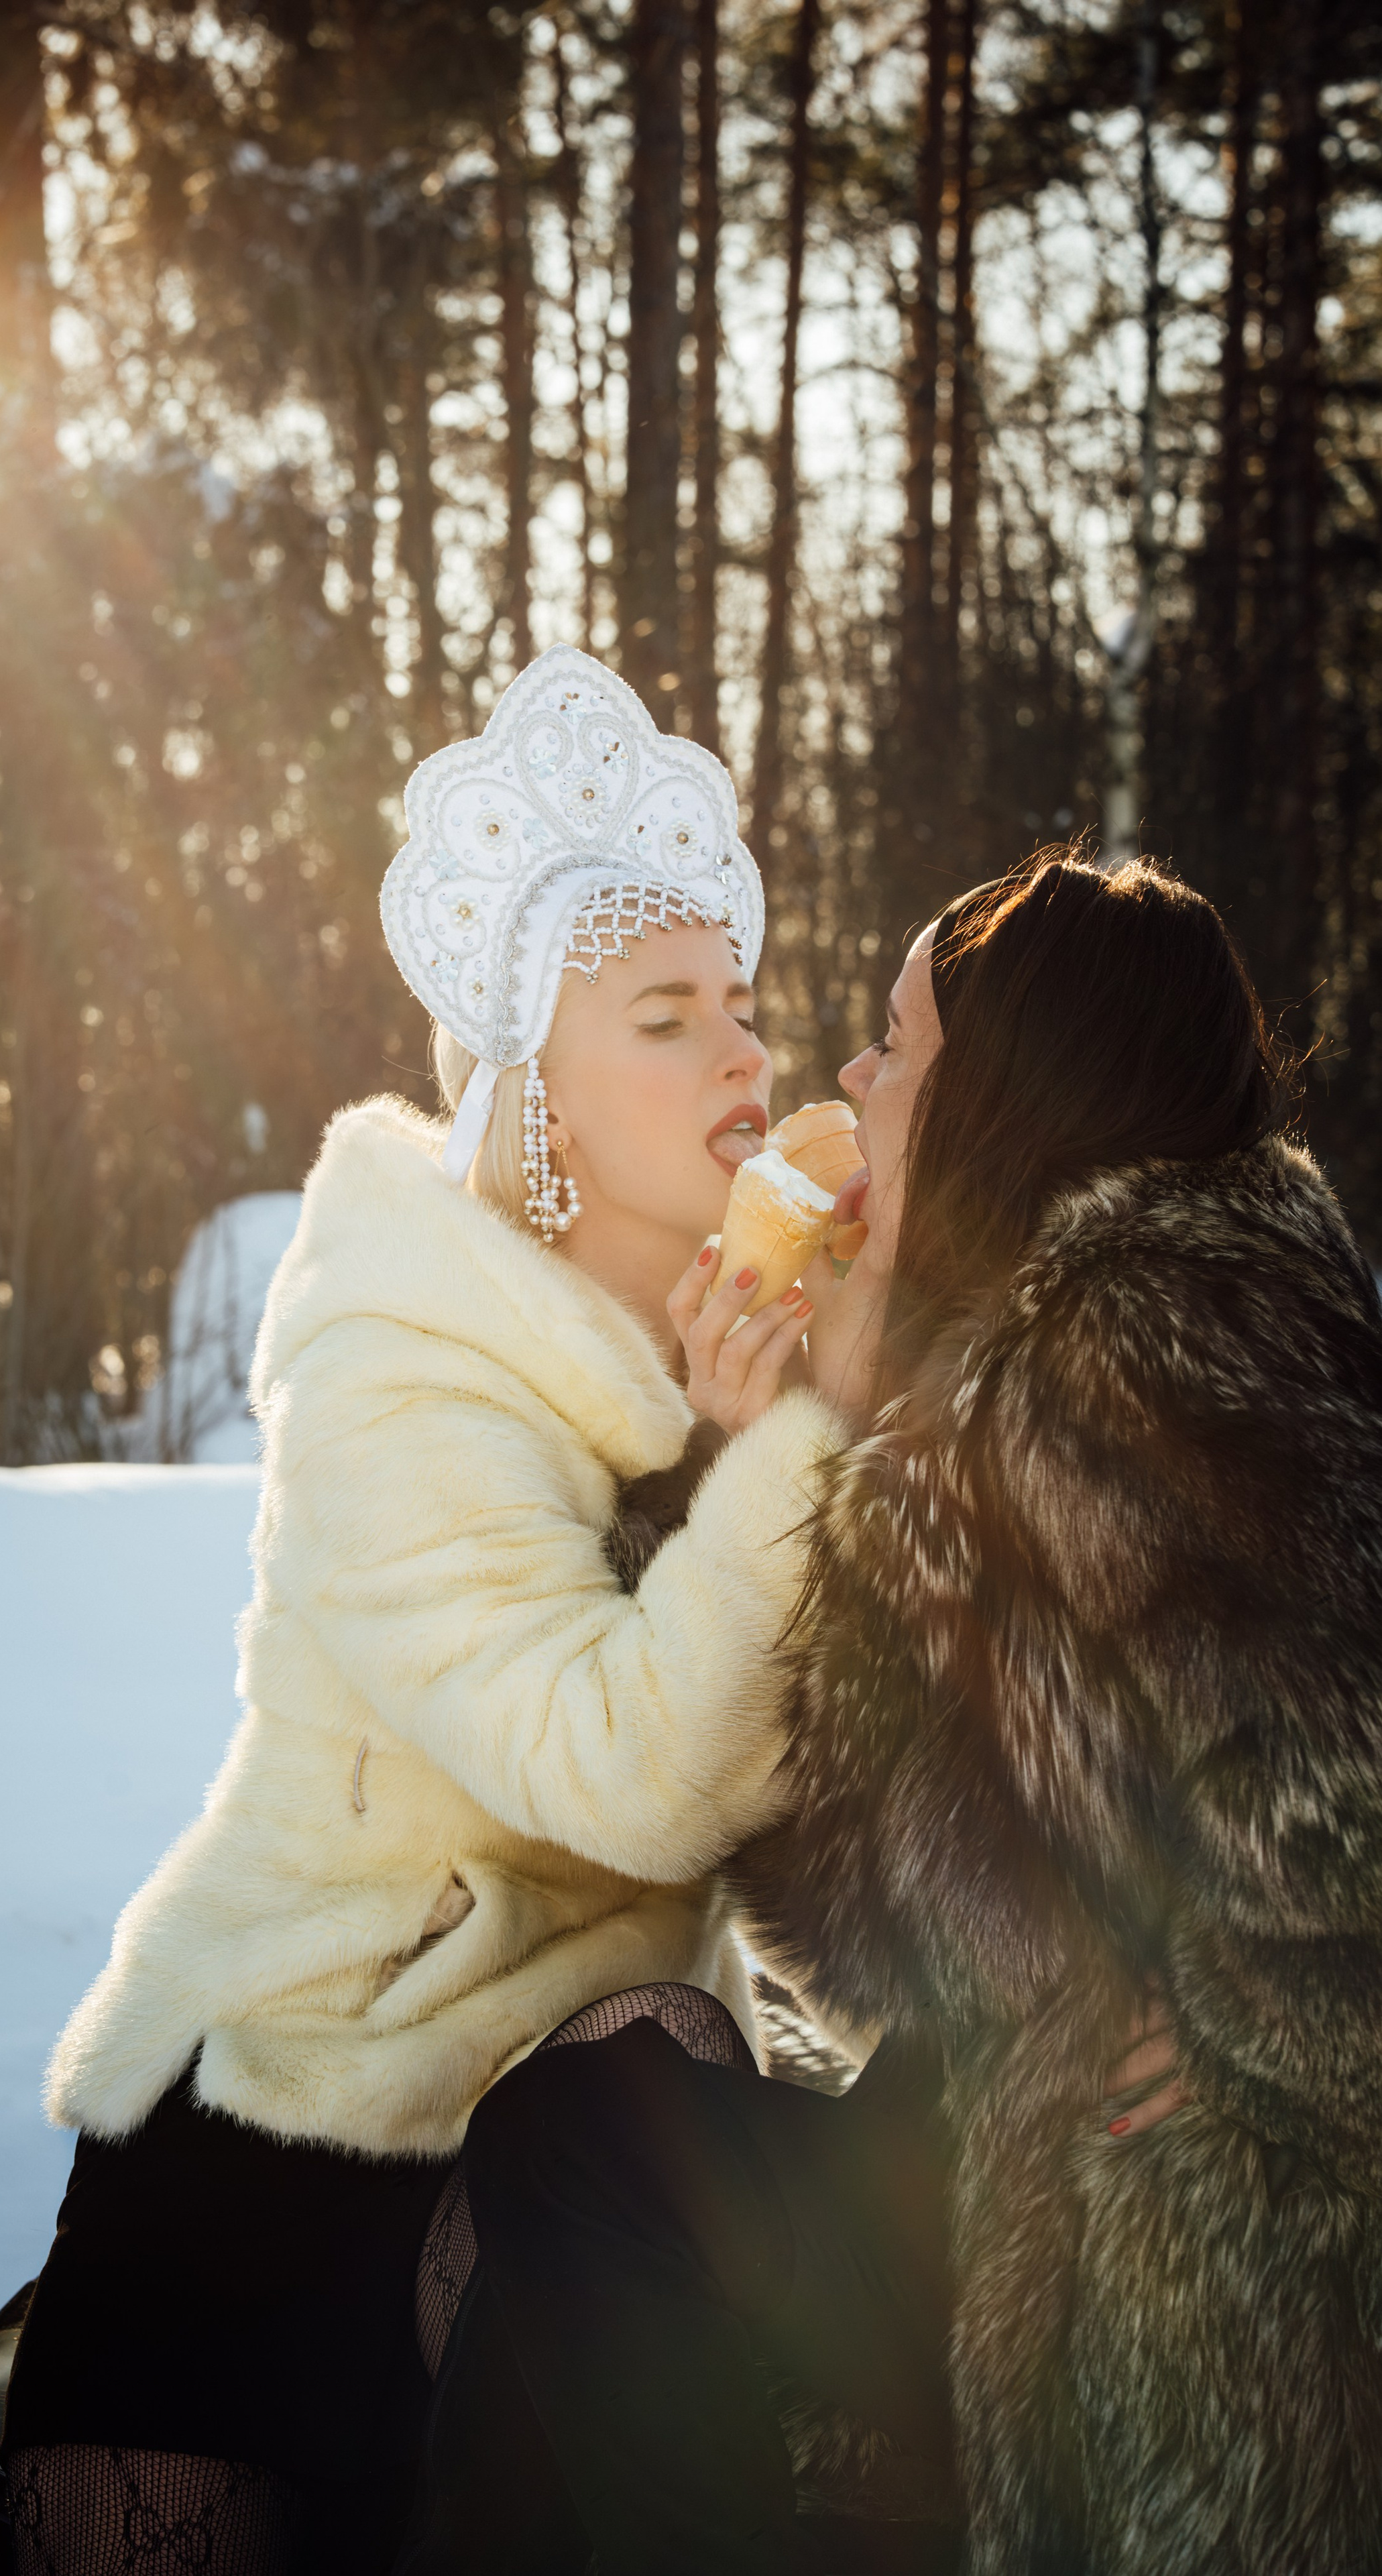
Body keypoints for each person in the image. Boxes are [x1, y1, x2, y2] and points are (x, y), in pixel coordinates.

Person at [418, 850, 1382, 2576]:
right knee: (592, 2145)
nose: (849, 1080)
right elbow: (856, 1905)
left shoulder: (1178, 1374)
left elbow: (1333, 1823)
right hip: (1002, 2141)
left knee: (576, 2155)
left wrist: (1237, 2033)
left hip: (1171, 2261)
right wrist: (784, 1457)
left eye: (894, 1043)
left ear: (1007, 1092)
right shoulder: (1060, 1345)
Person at [0, 645, 846, 2575]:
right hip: (294, 2123)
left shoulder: (742, 1334)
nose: (746, 1059)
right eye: (669, 1016)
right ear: (537, 1097)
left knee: (643, 2069)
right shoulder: (402, 1371)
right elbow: (623, 1771)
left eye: (746, 1006)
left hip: (576, 2121)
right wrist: (775, 1458)